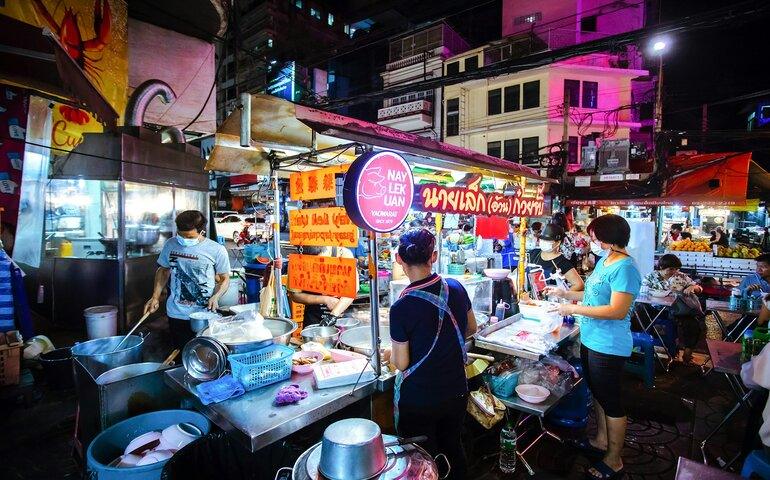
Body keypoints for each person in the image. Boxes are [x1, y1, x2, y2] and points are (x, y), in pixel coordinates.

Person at [545, 214, 641, 480]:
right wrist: (564, 294)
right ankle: (600, 441)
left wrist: (572, 308)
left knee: (611, 401)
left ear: (609, 238)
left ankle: (614, 459)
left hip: (609, 345)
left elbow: (617, 310)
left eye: (595, 236)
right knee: (598, 394)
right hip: (590, 338)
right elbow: (590, 294)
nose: (592, 241)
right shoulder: (605, 261)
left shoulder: (625, 268)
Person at [390, 229, 477, 480]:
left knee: (420, 462)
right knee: (452, 447)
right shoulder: (456, 287)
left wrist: (390, 354)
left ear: (399, 259)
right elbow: (471, 328)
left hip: (419, 399)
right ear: (434, 256)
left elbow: (402, 362)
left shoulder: (401, 307)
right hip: (456, 392)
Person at [144, 210, 231, 350]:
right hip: (176, 313)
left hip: (204, 314)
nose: (184, 239)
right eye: (181, 235)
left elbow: (224, 279)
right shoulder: (171, 244)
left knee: (203, 353)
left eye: (189, 236)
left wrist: (216, 296)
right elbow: (163, 271)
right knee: (179, 353)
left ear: (202, 231)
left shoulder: (216, 250)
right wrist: (155, 297)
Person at [644, 254, 703, 363]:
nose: (674, 271)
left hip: (678, 311)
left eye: (676, 269)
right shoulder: (651, 277)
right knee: (640, 315)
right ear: (661, 267)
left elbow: (699, 288)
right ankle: (643, 347)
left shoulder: (681, 276)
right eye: (671, 269)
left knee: (693, 323)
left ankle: (688, 352)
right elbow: (643, 291)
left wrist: (692, 287)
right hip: (657, 310)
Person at [287, 245, 358, 326]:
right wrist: (325, 300)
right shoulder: (297, 258)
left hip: (340, 313)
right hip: (313, 315)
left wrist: (333, 315)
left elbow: (351, 292)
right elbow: (294, 295)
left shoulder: (343, 254)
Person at [529, 224, 584, 292]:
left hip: (548, 301)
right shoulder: (533, 253)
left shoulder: (562, 262)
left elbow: (579, 284)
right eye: (542, 239)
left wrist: (561, 295)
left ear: (558, 242)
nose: (544, 242)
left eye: (548, 240)